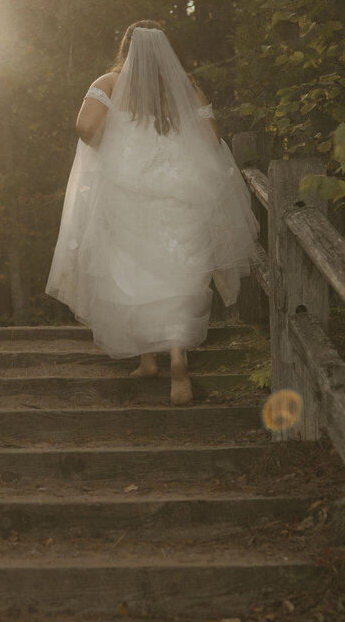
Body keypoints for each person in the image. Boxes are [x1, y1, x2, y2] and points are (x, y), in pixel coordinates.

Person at [46, 20, 261, 404]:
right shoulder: (186, 86)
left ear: (126, 48)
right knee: (179, 270)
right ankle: (177, 358)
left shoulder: (109, 82)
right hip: (181, 190)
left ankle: (148, 360)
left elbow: (85, 126)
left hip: (127, 190)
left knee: (134, 272)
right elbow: (211, 138)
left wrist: (114, 150)